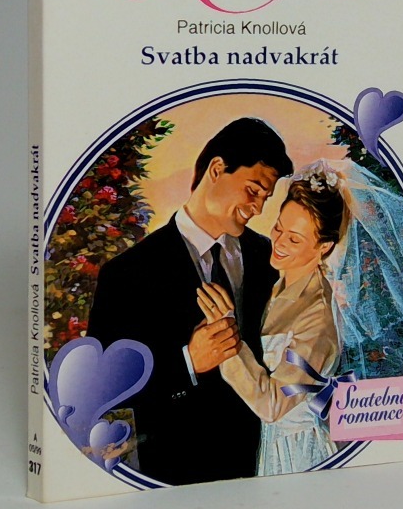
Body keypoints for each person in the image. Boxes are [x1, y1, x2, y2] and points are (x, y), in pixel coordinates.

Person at [86, 117, 293, 486]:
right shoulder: (127, 273)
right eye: (253, 190)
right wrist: (188, 363)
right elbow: (104, 391)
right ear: (217, 169)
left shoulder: (269, 257)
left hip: (265, 467)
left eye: (265, 198)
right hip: (174, 475)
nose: (258, 208)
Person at [196, 162, 347, 475]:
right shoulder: (276, 283)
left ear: (324, 247)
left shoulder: (317, 315)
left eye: (294, 239)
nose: (278, 243)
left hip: (297, 451)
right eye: (278, 228)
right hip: (270, 444)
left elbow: (273, 405)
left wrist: (226, 338)